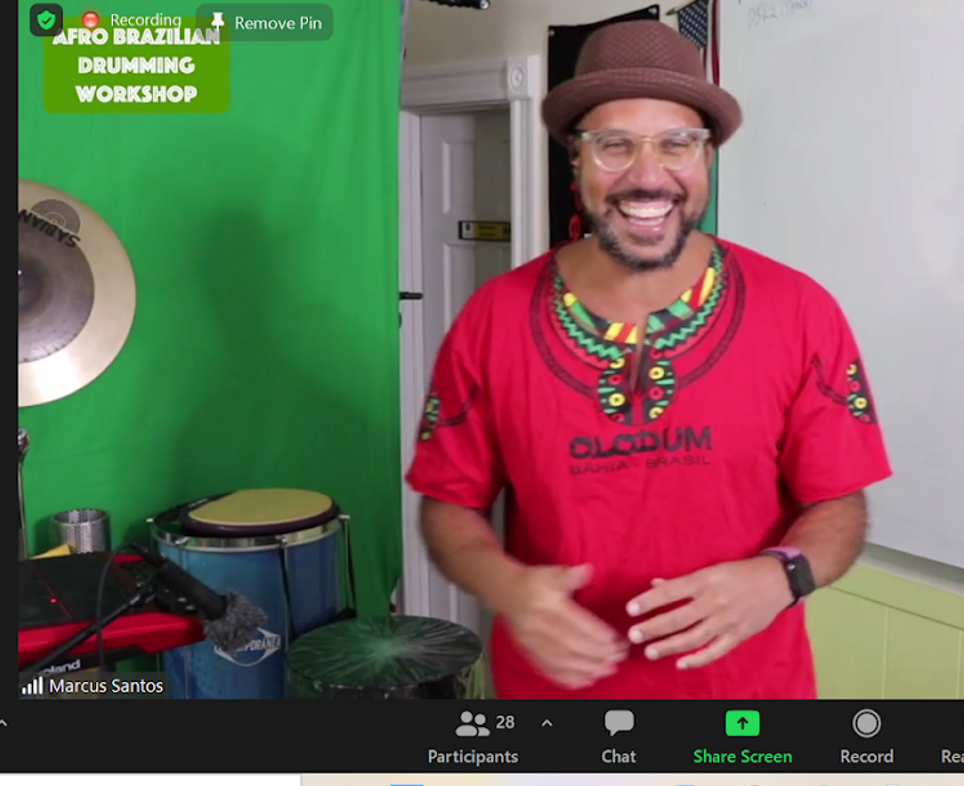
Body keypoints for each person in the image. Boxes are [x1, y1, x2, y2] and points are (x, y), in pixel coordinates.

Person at [405, 20, 892, 699]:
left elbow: (838, 504)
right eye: (613, 146)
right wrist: (506, 585)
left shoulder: (800, 310)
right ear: (573, 160)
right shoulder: (493, 317)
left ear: (707, 158)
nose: (647, 176)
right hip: (557, 705)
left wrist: (782, 574)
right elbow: (449, 503)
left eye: (676, 144)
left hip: (748, 710)